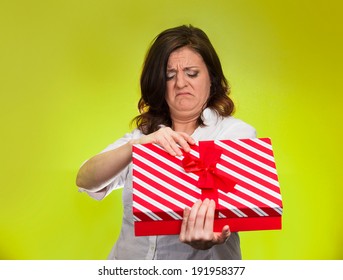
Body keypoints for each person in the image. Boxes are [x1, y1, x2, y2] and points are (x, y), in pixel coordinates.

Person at [76, 24, 256, 260]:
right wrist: (137, 148)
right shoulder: (142, 136)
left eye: (192, 73)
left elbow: (240, 207)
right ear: (158, 84)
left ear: (211, 78)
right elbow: (85, 180)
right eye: (170, 76)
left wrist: (209, 238)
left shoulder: (235, 134)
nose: (181, 83)